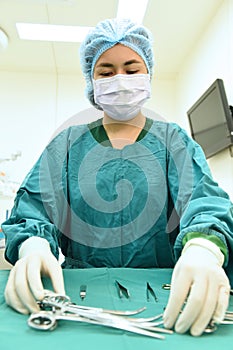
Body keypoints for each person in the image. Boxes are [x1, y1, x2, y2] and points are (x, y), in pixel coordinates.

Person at [1, 18, 233, 337]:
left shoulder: (173, 141)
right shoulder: (67, 144)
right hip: (79, 295)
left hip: (167, 292)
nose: (120, 80)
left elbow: (203, 201)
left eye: (131, 68)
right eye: (106, 72)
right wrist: (34, 244)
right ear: (92, 81)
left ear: (148, 72)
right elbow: (35, 207)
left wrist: (204, 248)